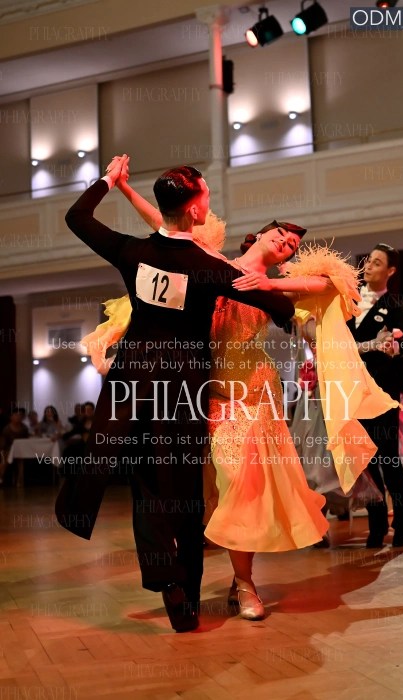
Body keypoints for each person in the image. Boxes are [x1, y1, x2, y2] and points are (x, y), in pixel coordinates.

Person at [55, 156, 294, 633]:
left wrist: (109, 180)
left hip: (132, 380)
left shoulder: (132, 251)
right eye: (206, 195)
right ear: (194, 210)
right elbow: (277, 306)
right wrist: (266, 286)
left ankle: (162, 576)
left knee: (145, 483)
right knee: (180, 489)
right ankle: (184, 597)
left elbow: (76, 217)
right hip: (182, 388)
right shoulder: (208, 267)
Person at [347, 244, 403, 548]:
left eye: (377, 263)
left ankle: (402, 522)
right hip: (352, 392)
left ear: (390, 271)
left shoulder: (391, 306)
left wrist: (396, 346)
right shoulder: (349, 300)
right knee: (365, 461)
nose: (369, 266)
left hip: (381, 393)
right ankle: (377, 525)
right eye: (368, 261)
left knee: (389, 459)